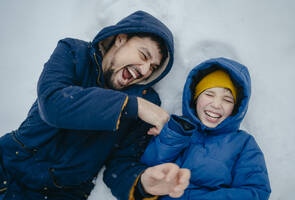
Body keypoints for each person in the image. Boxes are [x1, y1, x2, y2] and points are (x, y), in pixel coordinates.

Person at [0, 11, 190, 200]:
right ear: (121, 39)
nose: (145, 70)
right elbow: (54, 104)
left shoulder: (147, 101)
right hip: (7, 165)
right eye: (143, 55)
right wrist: (132, 106)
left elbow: (120, 166)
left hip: (60, 193)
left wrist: (143, 183)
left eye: (153, 67)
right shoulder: (73, 52)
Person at [140, 57, 272, 199]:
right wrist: (172, 137)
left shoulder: (243, 144)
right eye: (209, 94)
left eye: (227, 100)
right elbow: (147, 173)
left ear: (235, 108)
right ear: (195, 98)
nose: (216, 104)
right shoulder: (177, 129)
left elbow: (256, 191)